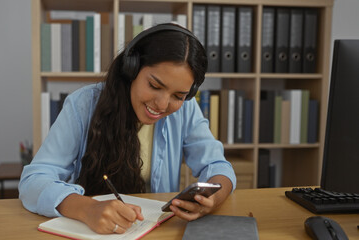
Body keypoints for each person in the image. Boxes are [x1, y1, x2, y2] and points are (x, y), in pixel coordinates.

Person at [19, 23, 236, 234]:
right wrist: (87, 209)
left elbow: (218, 166)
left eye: (178, 96)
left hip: (153, 231)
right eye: (154, 86)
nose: (162, 105)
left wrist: (212, 200)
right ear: (131, 68)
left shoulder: (186, 110)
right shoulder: (83, 105)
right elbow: (34, 180)